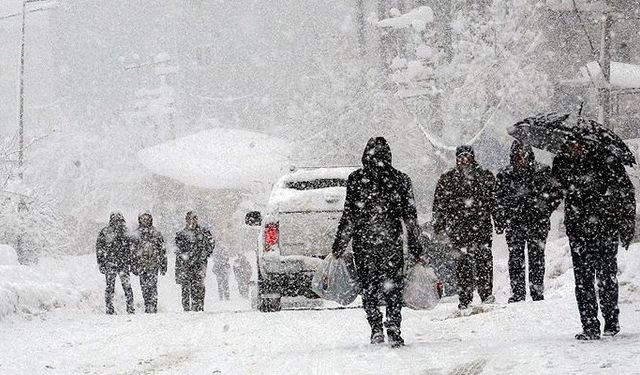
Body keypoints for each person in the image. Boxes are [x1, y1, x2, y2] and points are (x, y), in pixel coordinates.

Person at [332, 137, 424, 348]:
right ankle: (393, 326)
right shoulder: (400, 179)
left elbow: (349, 216)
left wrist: (339, 245)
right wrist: (416, 247)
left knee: (369, 287)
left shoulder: (356, 179)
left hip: (364, 244)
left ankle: (375, 327)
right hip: (390, 243)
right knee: (393, 287)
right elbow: (410, 218)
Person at [551, 140, 636, 340]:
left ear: (588, 144)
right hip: (579, 230)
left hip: (604, 228)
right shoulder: (563, 162)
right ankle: (589, 325)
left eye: (578, 145)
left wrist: (626, 225)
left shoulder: (607, 161)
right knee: (583, 280)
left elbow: (625, 193)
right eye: (571, 145)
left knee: (606, 277)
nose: (575, 148)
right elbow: (554, 193)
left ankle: (611, 321)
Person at [432, 145, 498, 310]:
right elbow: (439, 205)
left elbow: (495, 201)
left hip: (481, 227)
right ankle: (465, 298)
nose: (464, 160)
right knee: (463, 265)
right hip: (459, 229)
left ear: (473, 157)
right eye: (461, 157)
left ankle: (486, 293)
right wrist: (439, 227)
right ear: (456, 158)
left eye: (467, 156)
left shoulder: (485, 176)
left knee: (484, 262)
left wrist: (499, 221)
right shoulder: (448, 179)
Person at [496, 141, 558, 303]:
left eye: (523, 155)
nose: (520, 159)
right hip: (515, 224)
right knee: (516, 259)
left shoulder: (543, 172)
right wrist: (504, 217)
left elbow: (555, 195)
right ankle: (518, 293)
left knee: (536, 258)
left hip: (537, 223)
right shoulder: (505, 175)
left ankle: (536, 292)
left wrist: (544, 211)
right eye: (517, 156)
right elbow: (498, 199)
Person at [175, 211, 215, 312]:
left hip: (199, 264)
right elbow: (178, 250)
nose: (192, 222)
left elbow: (211, 244)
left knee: (199, 286)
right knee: (185, 287)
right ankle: (187, 308)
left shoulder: (204, 232)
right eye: (189, 219)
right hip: (185, 265)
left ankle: (198, 306)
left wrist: (205, 254)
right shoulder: (181, 234)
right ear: (186, 220)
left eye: (194, 219)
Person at [96, 212, 134, 315]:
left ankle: (130, 308)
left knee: (127, 287)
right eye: (115, 219)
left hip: (122, 264)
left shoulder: (125, 232)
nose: (117, 222)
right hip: (111, 263)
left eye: (119, 219)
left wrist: (131, 261)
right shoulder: (105, 232)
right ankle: (109, 308)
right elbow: (99, 249)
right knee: (110, 287)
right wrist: (101, 263)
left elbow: (131, 249)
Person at [131, 212, 167, 313]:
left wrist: (163, 265)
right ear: (140, 220)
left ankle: (153, 305)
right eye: (143, 218)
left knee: (153, 286)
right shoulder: (136, 234)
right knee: (144, 287)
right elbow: (132, 251)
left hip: (153, 265)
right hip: (141, 265)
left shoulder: (156, 233)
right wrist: (133, 265)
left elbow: (162, 250)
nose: (145, 220)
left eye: (147, 218)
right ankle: (147, 304)